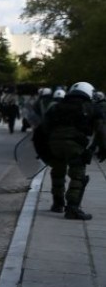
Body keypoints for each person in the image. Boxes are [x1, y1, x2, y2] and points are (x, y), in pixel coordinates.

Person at [41, 82, 106, 219]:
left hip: (54, 144)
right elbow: (100, 130)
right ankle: (72, 208)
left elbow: (44, 127)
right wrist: (101, 148)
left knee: (58, 172)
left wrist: (44, 148)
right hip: (74, 144)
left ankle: (57, 204)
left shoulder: (56, 107)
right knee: (78, 175)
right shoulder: (92, 107)